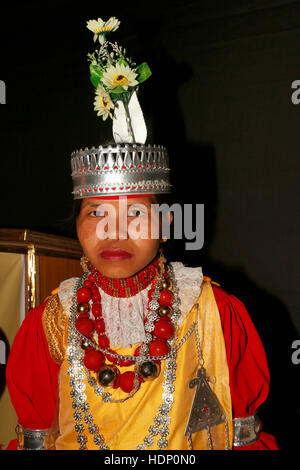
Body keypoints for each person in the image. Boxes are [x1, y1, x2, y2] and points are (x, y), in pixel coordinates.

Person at [6, 16, 278, 451]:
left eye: (135, 212)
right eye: (96, 212)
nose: (114, 231)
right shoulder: (50, 327)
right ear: (75, 225)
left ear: (168, 222)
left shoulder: (216, 314)